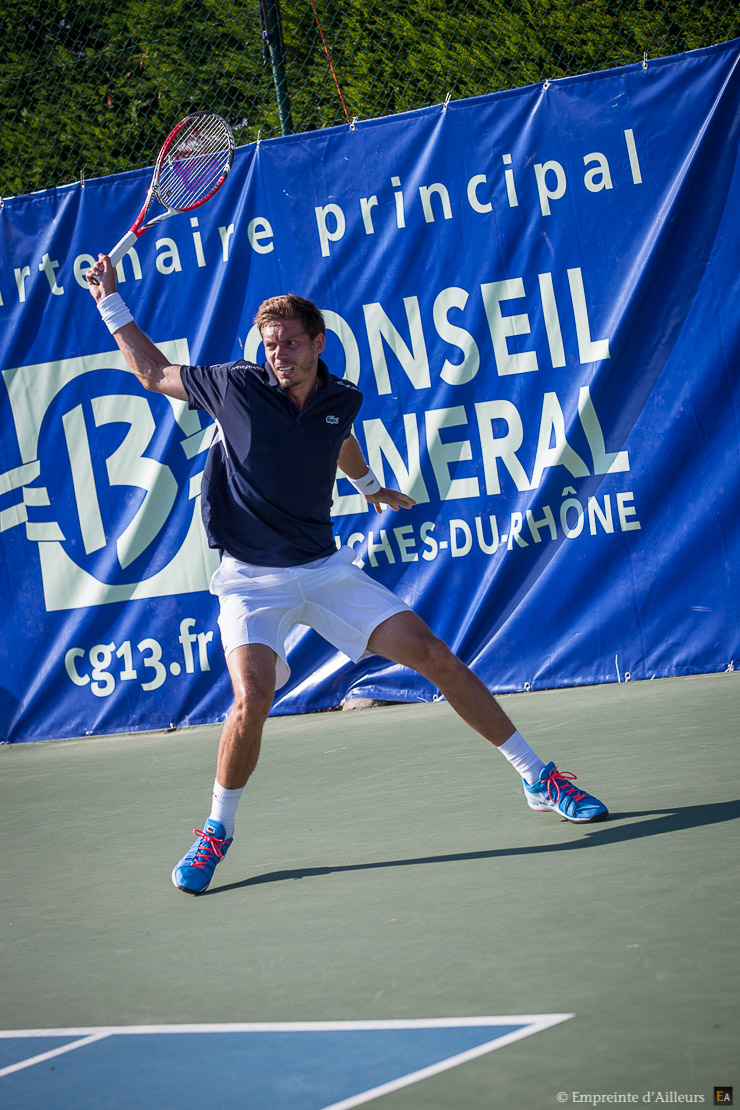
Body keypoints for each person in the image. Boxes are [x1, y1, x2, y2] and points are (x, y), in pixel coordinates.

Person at [87, 257, 608, 894]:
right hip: (250, 581)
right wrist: (111, 302)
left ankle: (538, 777)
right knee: (252, 699)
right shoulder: (233, 386)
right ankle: (216, 831)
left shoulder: (341, 397)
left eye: (290, 343)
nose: (278, 354)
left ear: (318, 344)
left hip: (326, 571)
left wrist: (367, 486)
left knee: (434, 655)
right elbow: (151, 371)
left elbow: (339, 438)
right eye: (270, 344)